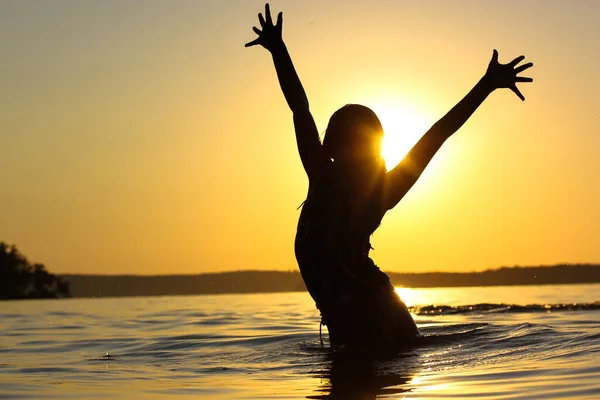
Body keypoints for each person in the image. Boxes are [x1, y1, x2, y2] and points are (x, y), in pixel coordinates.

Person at [245, 4, 533, 351]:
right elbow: (300, 107)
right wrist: (279, 50)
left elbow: (437, 135)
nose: (360, 151)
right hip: (347, 316)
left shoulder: (383, 192)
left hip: (377, 309)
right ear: (336, 145)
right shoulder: (322, 175)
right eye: (352, 141)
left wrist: (486, 85)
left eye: (368, 142)